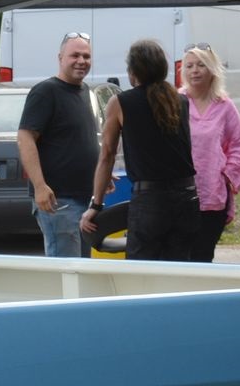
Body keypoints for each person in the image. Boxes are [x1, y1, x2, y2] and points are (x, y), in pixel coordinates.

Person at [83, 39, 198, 260]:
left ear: (133, 71)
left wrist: (96, 205)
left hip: (150, 201)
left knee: (142, 270)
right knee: (181, 268)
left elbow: (107, 154)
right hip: (187, 199)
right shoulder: (180, 100)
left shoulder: (121, 102)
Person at [17, 33, 101, 258]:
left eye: (86, 56)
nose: (81, 61)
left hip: (85, 199)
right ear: (60, 57)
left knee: (83, 270)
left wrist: (99, 173)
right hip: (59, 202)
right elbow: (25, 138)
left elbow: (77, 139)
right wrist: (40, 186)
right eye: (75, 55)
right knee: (67, 271)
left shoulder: (84, 91)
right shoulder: (46, 92)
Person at [179, 43, 240, 262]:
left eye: (201, 65)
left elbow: (239, 143)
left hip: (212, 195)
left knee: (202, 256)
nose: (195, 71)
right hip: (179, 195)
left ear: (212, 69)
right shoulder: (176, 101)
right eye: (189, 66)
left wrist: (227, 177)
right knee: (180, 257)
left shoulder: (224, 105)